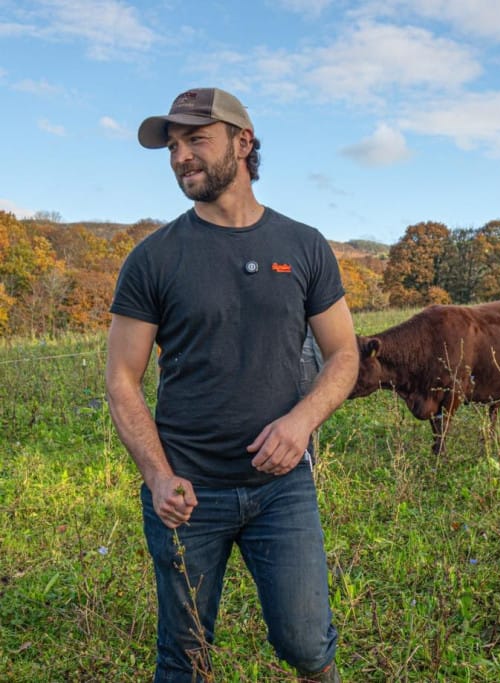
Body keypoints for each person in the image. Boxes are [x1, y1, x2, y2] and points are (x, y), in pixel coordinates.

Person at [105, 87, 358, 682]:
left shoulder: (303, 246)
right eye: (172, 146)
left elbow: (344, 352)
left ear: (243, 142)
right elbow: (121, 379)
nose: (180, 157)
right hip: (187, 495)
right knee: (184, 655)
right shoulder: (152, 259)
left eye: (196, 139)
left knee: (307, 645)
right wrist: (158, 476)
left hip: (282, 489)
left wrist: (301, 423)